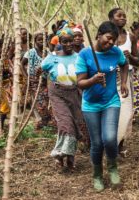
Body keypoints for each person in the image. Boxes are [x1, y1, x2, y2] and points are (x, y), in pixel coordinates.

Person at [76, 21, 129, 191]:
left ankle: (113, 168)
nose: (111, 43)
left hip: (111, 101)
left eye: (114, 40)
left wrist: (124, 83)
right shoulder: (85, 54)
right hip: (91, 105)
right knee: (97, 143)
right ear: (99, 35)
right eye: (108, 38)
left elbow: (125, 64)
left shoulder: (115, 52)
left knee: (110, 138)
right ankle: (97, 174)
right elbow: (80, 83)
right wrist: (93, 80)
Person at [42, 27, 84, 170]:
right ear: (59, 42)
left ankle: (68, 157)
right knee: (66, 125)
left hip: (74, 93)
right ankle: (61, 156)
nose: (68, 44)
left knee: (75, 124)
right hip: (58, 94)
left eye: (70, 41)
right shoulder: (52, 58)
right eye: (64, 42)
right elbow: (43, 70)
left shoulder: (79, 57)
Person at [108, 7, 139, 150]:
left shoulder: (131, 37)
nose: (122, 18)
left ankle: (119, 143)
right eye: (119, 16)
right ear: (111, 19)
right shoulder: (106, 36)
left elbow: (138, 61)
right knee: (111, 110)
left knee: (126, 112)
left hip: (126, 78)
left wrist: (130, 57)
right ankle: (109, 142)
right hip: (109, 77)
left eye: (124, 16)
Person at [21, 32, 54, 129]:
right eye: (39, 40)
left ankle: (44, 121)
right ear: (35, 41)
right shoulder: (31, 52)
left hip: (44, 81)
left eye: (44, 40)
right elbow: (22, 64)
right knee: (40, 102)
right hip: (33, 81)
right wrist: (27, 77)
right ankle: (42, 122)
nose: (42, 42)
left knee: (46, 100)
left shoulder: (48, 53)